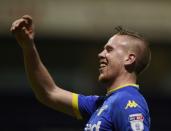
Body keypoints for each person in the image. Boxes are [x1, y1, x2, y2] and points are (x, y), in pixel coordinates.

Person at [10, 15, 151, 131]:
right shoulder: (101, 104)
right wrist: (28, 46)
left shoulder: (127, 101)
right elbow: (48, 93)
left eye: (109, 50)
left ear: (129, 59)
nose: (100, 54)